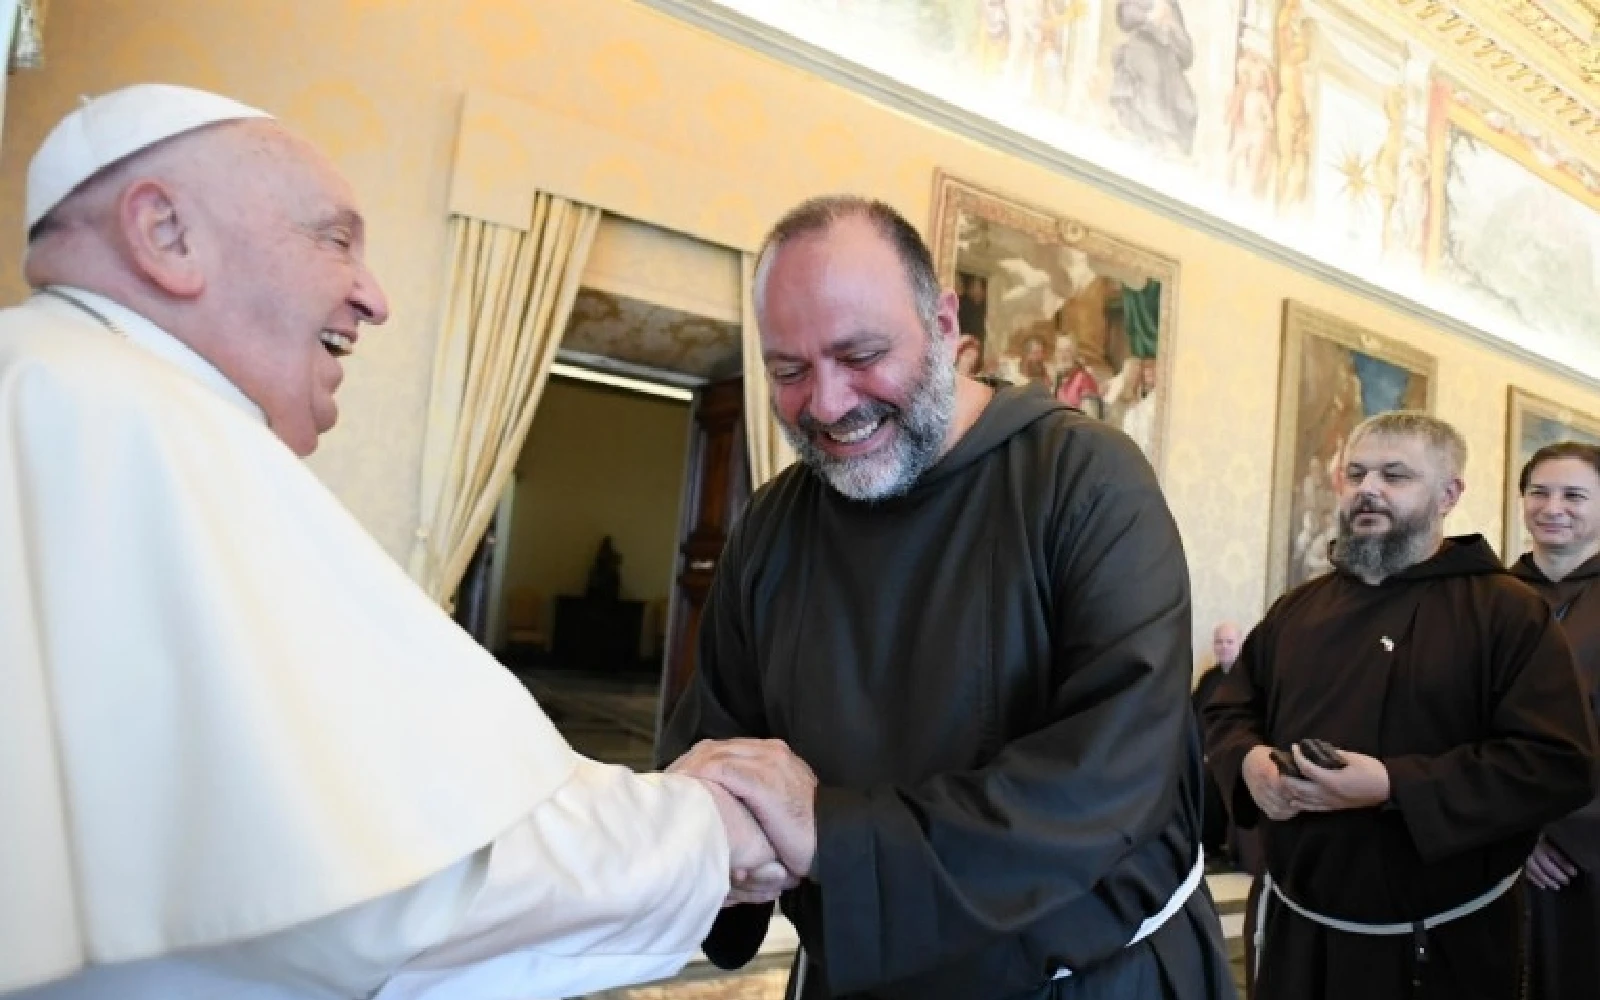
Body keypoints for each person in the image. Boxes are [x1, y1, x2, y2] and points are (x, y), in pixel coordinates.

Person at [0, 83, 788, 1000]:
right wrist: (700, 832)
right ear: (165, 232)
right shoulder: (121, 421)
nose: (374, 298)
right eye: (336, 239)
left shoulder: (77, 392)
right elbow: (379, 891)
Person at [660, 195, 1234, 1000]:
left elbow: (1107, 781)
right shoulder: (774, 524)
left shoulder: (1088, 482)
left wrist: (831, 835)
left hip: (1085, 982)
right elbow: (715, 738)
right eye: (789, 371)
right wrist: (708, 839)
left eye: (860, 354)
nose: (826, 404)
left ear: (943, 322)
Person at [1203, 411, 1598, 1000]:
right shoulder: (1298, 607)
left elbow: (1555, 762)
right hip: (1293, 924)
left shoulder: (1507, 611)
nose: (1368, 488)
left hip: (1439, 941)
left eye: (1395, 475)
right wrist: (1250, 763)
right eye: (1356, 472)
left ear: (1449, 493)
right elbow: (1229, 710)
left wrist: (1393, 785)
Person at [1511, 441, 1600, 1000]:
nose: (1553, 507)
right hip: (1494, 848)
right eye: (1539, 492)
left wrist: (1561, 831)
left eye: (1574, 495)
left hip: (1589, 854)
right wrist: (1517, 833)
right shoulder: (1485, 598)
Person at [1192, 623, 1242, 867]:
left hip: (1231, 751)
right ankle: (1198, 844)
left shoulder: (1245, 679)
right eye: (1219, 642)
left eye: (1229, 642)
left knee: (1210, 777)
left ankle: (1214, 846)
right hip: (1205, 751)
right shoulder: (1208, 679)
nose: (1223, 647)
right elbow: (1193, 715)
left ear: (1239, 644)